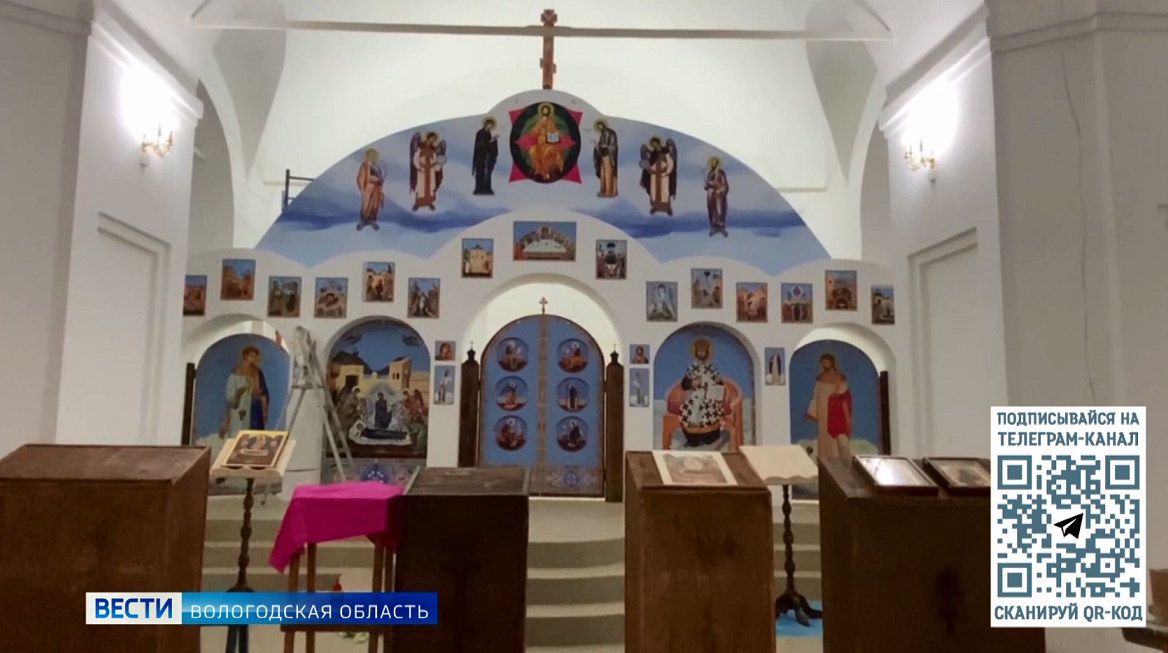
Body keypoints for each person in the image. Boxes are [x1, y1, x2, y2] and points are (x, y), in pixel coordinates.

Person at [678, 338, 725, 447]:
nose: (701, 353)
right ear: (695, 352)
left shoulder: (712, 368)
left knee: (710, 410)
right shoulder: (692, 367)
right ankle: (693, 438)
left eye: (703, 351)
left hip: (709, 396)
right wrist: (692, 383)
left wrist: (715, 385)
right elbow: (684, 384)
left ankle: (709, 437)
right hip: (694, 396)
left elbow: (719, 383)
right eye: (699, 351)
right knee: (688, 409)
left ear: (707, 352)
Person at [806, 353, 852, 462]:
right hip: (822, 413)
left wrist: (836, 398)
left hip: (836, 412)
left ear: (832, 363)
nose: (825, 365)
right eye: (823, 363)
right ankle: (825, 463)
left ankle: (841, 463)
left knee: (839, 440)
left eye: (826, 362)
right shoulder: (819, 378)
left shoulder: (839, 378)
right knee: (824, 438)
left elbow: (845, 395)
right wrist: (811, 412)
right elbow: (815, 396)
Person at [219, 346, 269, 439]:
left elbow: (263, 393)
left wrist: (264, 411)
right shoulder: (235, 374)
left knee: (254, 436)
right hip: (240, 407)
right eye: (251, 356)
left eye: (255, 357)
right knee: (238, 433)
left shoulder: (258, 372)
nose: (254, 359)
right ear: (245, 356)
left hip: (255, 407)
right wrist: (242, 390)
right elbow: (230, 398)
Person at [523, 103, 565, 180]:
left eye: (546, 110)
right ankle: (539, 169)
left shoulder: (550, 121)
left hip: (548, 141)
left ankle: (546, 171)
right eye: (544, 110)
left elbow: (553, 130)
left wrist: (554, 132)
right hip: (540, 141)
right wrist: (535, 130)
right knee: (532, 151)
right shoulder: (540, 120)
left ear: (548, 111)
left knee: (547, 153)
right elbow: (535, 130)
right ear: (542, 111)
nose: (545, 111)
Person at [356, 149, 385, 230]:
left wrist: (380, 180)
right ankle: (363, 221)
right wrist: (362, 188)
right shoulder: (364, 166)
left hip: (376, 188)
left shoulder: (376, 166)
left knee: (374, 205)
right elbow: (361, 177)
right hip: (368, 188)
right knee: (366, 205)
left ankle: (372, 220)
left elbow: (379, 176)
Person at [703, 156, 729, 237]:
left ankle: (721, 227)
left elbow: (725, 184)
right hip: (711, 195)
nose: (713, 165)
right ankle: (714, 227)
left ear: (717, 164)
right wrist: (706, 185)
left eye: (714, 163)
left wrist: (721, 190)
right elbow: (707, 185)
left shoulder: (721, 173)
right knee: (712, 210)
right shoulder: (710, 173)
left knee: (719, 210)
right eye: (712, 163)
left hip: (719, 196)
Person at [471, 117, 498, 195]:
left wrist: (493, 141)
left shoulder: (488, 133)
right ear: (486, 124)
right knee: (480, 172)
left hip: (487, 156)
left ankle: (486, 188)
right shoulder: (480, 133)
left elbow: (489, 145)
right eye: (489, 124)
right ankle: (478, 188)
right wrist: (490, 141)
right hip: (480, 156)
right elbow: (479, 144)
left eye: (491, 125)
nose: (489, 126)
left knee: (486, 173)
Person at [593, 119, 618, 197]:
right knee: (603, 174)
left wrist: (605, 146)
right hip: (602, 156)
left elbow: (613, 145)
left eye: (600, 126)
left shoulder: (611, 133)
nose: (600, 128)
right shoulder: (602, 134)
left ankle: (609, 192)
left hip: (608, 156)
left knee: (608, 174)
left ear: (603, 125)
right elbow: (601, 145)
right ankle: (603, 191)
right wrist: (597, 147)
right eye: (598, 127)